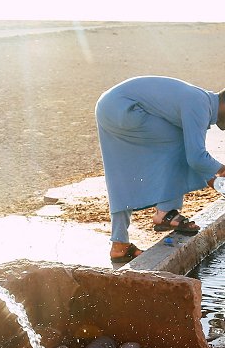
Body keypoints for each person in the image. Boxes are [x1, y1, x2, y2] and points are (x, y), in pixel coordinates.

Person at [95, 75, 225, 266]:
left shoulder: (200, 100)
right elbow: (195, 157)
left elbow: (196, 158)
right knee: (180, 141)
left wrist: (215, 179)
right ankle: (165, 213)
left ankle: (119, 243)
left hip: (109, 107)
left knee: (120, 173)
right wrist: (221, 172)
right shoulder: (199, 105)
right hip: (124, 108)